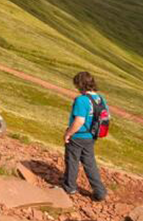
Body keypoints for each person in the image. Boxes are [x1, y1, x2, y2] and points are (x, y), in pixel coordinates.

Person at [63, 71, 107, 201]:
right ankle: (100, 192)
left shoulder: (81, 100)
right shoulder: (100, 98)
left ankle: (70, 187)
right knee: (90, 163)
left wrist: (68, 134)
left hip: (78, 136)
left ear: (80, 84)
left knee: (72, 161)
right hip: (91, 136)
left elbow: (79, 121)